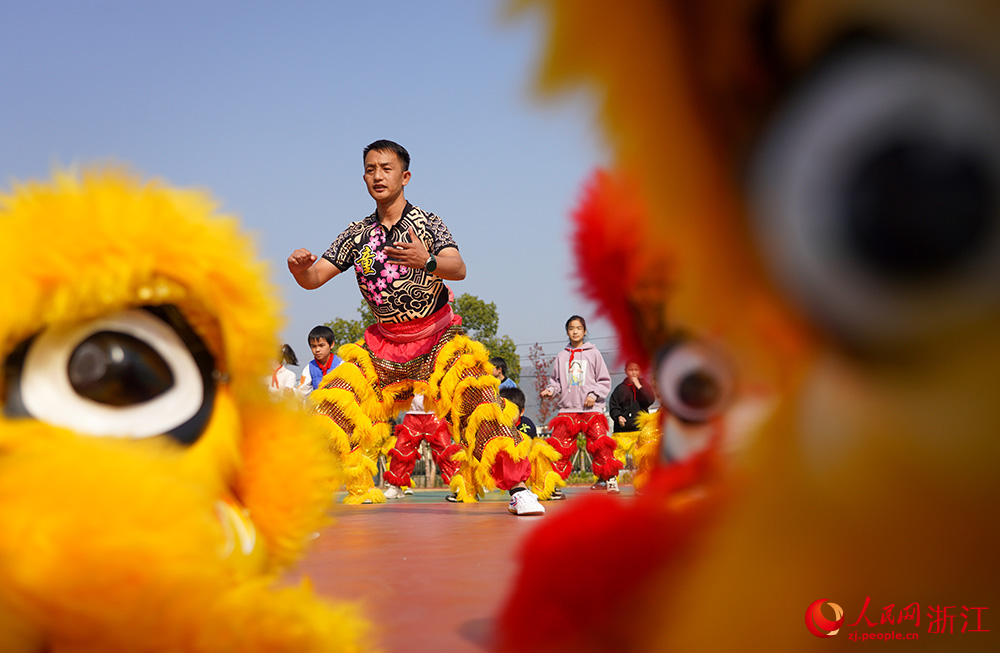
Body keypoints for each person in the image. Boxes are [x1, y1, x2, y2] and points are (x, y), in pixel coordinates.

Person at [287, 139, 543, 515]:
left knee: (481, 403)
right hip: (382, 347)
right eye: (371, 169)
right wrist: (299, 270)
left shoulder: (427, 223)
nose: (378, 175)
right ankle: (295, 492)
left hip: (438, 341)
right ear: (363, 178)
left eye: (386, 168)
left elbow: (459, 268)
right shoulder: (356, 235)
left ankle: (519, 489)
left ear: (404, 176)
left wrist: (428, 259)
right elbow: (314, 278)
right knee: (332, 405)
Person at [540, 315, 621, 494]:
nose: (575, 331)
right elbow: (556, 382)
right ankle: (555, 485)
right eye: (571, 328)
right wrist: (550, 391)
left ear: (585, 331)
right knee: (558, 446)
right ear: (567, 331)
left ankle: (609, 478)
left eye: (578, 328)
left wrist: (594, 394)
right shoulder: (561, 356)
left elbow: (604, 380)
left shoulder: (593, 353)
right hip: (568, 409)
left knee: (601, 444)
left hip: (591, 409)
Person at [382, 394, 461, 499]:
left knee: (445, 450)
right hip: (412, 415)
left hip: (435, 414)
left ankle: (459, 487)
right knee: (401, 449)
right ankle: (395, 486)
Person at [502, 386, 567, 501]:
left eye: (512, 411)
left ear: (521, 412)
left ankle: (545, 487)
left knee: (539, 448)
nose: (507, 414)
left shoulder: (527, 425)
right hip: (499, 465)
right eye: (503, 410)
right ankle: (465, 490)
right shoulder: (493, 426)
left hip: (522, 465)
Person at [609, 361, 656, 433]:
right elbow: (614, 406)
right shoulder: (620, 388)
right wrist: (618, 416)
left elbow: (650, 400)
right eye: (631, 370)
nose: (634, 373)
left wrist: (639, 386)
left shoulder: (645, 386)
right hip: (623, 431)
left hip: (642, 430)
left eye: (636, 370)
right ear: (625, 371)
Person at [298, 325, 343, 397]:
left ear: (331, 345)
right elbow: (301, 392)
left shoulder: (342, 365)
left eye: (321, 345)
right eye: (313, 346)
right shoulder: (309, 368)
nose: (317, 350)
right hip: (319, 406)